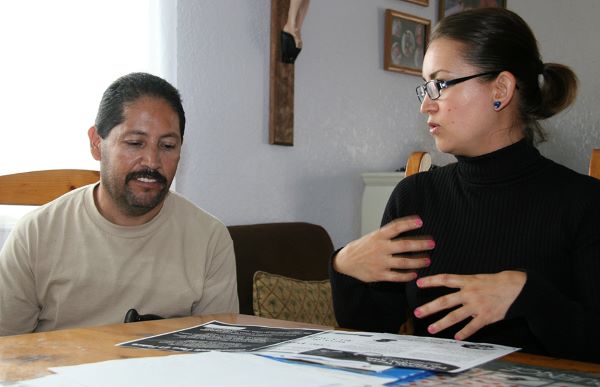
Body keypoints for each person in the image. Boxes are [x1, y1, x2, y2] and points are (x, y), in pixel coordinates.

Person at [330, 8, 600, 363]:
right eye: (425, 88)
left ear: (500, 89)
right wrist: (345, 267)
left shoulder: (584, 203)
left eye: (439, 84)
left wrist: (529, 296)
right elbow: (374, 332)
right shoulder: (415, 197)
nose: (426, 105)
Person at [0, 72, 239, 336]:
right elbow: (7, 352)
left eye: (168, 146)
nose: (151, 161)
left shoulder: (209, 239)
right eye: (135, 143)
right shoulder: (35, 234)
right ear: (96, 143)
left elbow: (221, 352)